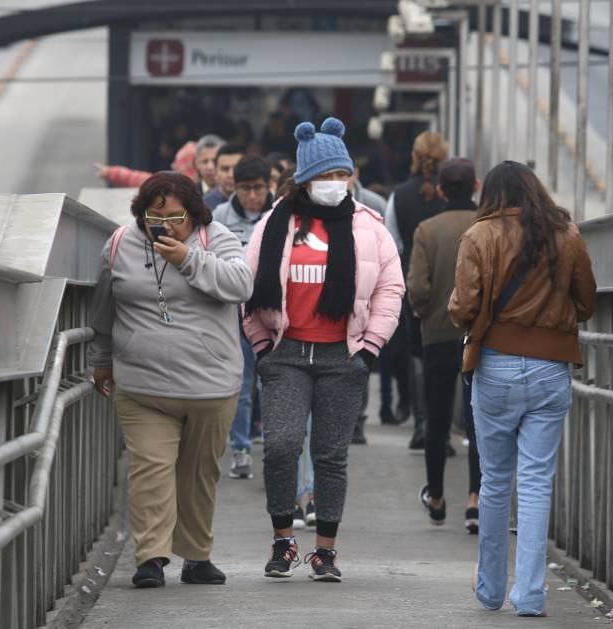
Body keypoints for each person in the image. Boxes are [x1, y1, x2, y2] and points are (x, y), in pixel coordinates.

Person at [243, 117, 404, 582]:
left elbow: (390, 289)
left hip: (342, 356)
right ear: (305, 178)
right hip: (286, 353)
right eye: (326, 176)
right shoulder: (275, 223)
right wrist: (261, 346)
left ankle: (326, 553)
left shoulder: (368, 226)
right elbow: (247, 286)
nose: (335, 184)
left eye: (341, 175)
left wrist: (369, 348)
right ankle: (282, 541)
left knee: (332, 455)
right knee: (281, 446)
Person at [88, 171, 254, 588]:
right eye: (153, 217)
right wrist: (102, 359)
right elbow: (104, 311)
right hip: (142, 386)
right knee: (149, 469)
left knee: (198, 473)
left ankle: (196, 557)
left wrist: (188, 259)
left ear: (194, 214)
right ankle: (151, 558)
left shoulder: (216, 238)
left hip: (210, 387)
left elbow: (241, 284)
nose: (162, 226)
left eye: (174, 217)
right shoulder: (120, 244)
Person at [449, 161, 596, 616]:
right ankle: (530, 594)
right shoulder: (566, 235)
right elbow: (587, 302)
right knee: (535, 483)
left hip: (495, 365)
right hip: (551, 368)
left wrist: (465, 312)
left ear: (490, 195)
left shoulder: (479, 235)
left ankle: (491, 588)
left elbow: (463, 308)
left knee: (495, 481)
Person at [406, 157, 482, 533]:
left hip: (437, 333)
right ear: (476, 186)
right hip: (481, 337)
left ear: (439, 190)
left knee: (436, 420)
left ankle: (436, 498)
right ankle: (474, 500)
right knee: (476, 420)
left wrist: (425, 312)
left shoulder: (427, 230)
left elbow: (416, 286)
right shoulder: (488, 228)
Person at [384, 131, 449, 451]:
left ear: (414, 156)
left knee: (417, 354)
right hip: (451, 286)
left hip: (414, 285)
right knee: (449, 354)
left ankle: (422, 423)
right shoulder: (451, 195)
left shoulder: (400, 196)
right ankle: (443, 428)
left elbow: (391, 243)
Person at [212, 155, 275, 480]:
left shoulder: (278, 214)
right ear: (234, 188)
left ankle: (272, 447)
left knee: (271, 383)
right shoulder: (220, 216)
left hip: (269, 312)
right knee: (242, 381)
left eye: (259, 189)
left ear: (270, 187)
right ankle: (240, 447)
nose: (253, 196)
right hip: (234, 312)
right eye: (246, 189)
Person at [95, 141, 198, 188]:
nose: (173, 166)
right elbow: (143, 179)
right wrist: (112, 173)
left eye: (179, 164)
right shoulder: (172, 185)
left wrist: (111, 173)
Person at [203, 144, 244, 210]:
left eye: (236, 168)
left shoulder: (255, 202)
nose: (231, 175)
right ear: (215, 171)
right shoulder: (204, 206)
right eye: (225, 169)